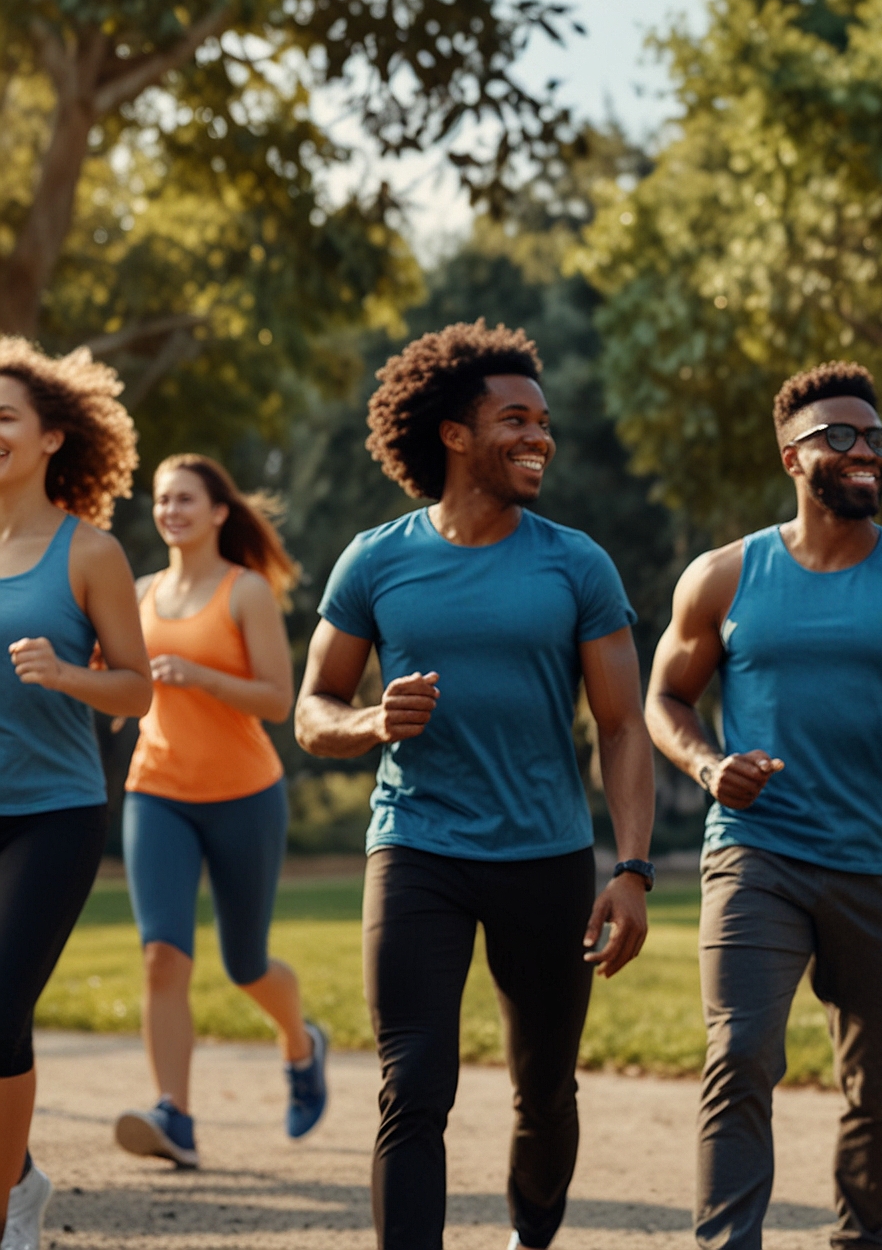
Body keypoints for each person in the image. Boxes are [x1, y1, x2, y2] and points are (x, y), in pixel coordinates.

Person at [293, 321, 656, 1250]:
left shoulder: (575, 562)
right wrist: (374, 722)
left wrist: (632, 868)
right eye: (515, 419)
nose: (539, 437)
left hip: (544, 855)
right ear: (453, 434)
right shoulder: (376, 560)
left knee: (545, 1089)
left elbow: (621, 725)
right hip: (416, 845)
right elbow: (313, 711)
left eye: (544, 422)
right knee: (413, 1083)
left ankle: (530, 1237)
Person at [646, 361, 882, 1250]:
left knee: (875, 1087)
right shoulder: (722, 579)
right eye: (840, 437)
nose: (865, 452)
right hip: (757, 852)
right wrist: (707, 765)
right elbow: (665, 701)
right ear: (791, 457)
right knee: (740, 1056)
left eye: (876, 438)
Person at [112, 453, 325, 1168]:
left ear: (218, 512)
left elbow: (277, 700)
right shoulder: (138, 592)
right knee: (161, 956)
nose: (170, 510)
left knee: (244, 962)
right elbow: (119, 678)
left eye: (185, 499)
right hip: (157, 790)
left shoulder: (245, 592)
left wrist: (198, 675)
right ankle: (175, 1114)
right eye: (162, 500)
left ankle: (301, 1042)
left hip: (244, 796)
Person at [0, 342, 153, 1250]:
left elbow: (137, 689)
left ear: (53, 437)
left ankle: (7, 1210)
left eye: (4, 418)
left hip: (52, 812)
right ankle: (20, 1175)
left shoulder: (87, 552)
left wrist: (66, 673)